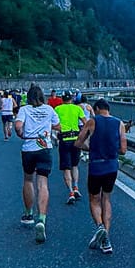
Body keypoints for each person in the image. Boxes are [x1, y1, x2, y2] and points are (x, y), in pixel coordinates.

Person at [75, 98, 126, 255]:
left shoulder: (92, 122)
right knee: (106, 198)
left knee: (94, 199)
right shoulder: (119, 123)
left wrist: (90, 148)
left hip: (96, 166)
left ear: (96, 109)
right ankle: (106, 239)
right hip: (112, 166)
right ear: (108, 109)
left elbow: (78, 143)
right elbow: (123, 150)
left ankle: (100, 226)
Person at [15, 83, 61, 243]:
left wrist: (21, 134)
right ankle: (42, 218)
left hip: (29, 147)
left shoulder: (24, 109)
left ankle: (28, 214)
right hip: (44, 147)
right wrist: (46, 126)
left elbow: (18, 126)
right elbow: (58, 126)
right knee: (43, 183)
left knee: (28, 180)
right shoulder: (49, 109)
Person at [55, 91, 86, 203]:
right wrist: (82, 134)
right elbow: (85, 122)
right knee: (75, 165)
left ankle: (71, 192)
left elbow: (54, 124)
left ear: (62, 99)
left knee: (66, 168)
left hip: (64, 139)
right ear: (72, 98)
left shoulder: (57, 109)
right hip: (76, 139)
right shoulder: (77, 108)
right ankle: (76, 187)